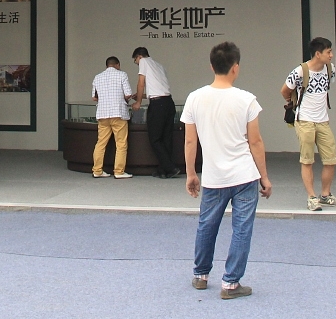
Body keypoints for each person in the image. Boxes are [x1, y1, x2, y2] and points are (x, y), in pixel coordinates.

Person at [182, 41, 271, 299]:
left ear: (212, 66)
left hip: (213, 177)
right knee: (242, 229)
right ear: (236, 67)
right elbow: (255, 142)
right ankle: (231, 283)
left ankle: (201, 275)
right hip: (244, 175)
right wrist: (264, 177)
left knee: (207, 225)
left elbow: (190, 141)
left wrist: (191, 173)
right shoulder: (247, 100)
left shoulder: (194, 98)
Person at [281, 37, 336, 211]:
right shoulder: (300, 71)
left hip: (323, 120)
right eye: (328, 52)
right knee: (307, 160)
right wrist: (292, 102)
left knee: (330, 159)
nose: (331, 55)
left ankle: (325, 194)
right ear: (318, 54)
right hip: (305, 120)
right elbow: (284, 90)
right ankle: (311, 197)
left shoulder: (330, 69)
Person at [132, 47, 177, 178]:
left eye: (135, 61)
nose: (137, 63)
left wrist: (138, 102)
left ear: (139, 56)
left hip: (158, 105)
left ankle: (171, 167)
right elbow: (158, 89)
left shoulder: (144, 61)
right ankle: (163, 170)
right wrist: (141, 96)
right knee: (166, 138)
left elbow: (141, 84)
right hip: (168, 102)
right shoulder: (159, 66)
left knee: (155, 138)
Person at [90, 56, 135, 179]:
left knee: (101, 143)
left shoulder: (97, 77)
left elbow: (94, 97)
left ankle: (97, 170)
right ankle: (119, 171)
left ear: (107, 65)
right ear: (117, 65)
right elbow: (128, 94)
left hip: (102, 114)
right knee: (121, 144)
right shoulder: (122, 75)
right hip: (118, 113)